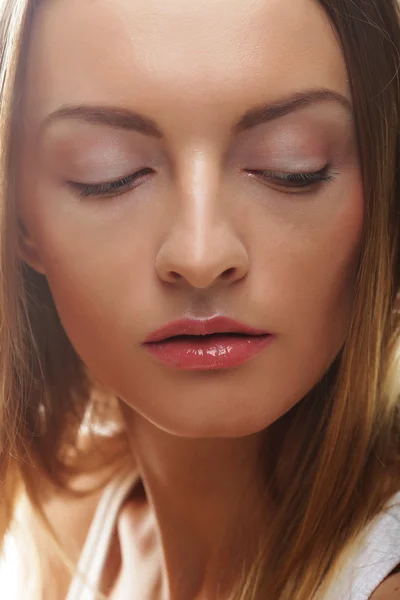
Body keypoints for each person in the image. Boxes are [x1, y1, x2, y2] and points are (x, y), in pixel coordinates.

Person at [0, 0, 400, 598]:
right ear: (21, 217)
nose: (200, 254)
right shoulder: (56, 532)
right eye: (108, 173)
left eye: (291, 166)